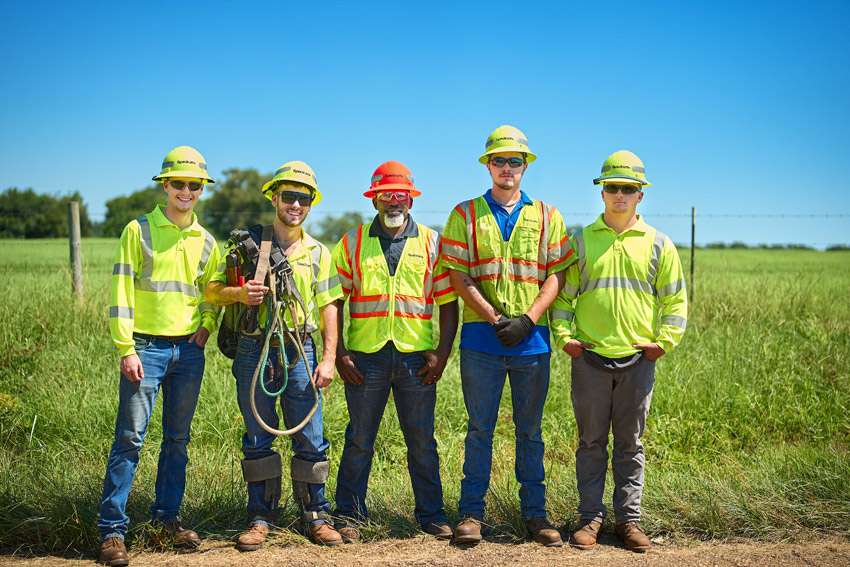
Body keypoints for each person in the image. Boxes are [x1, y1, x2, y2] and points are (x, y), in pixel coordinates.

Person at [440, 126, 574, 547]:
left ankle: (536, 515)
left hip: (532, 341)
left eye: (515, 161)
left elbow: (556, 274)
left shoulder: (550, 216)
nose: (507, 168)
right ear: (488, 165)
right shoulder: (464, 214)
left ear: (525, 166)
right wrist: (496, 317)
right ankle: (471, 514)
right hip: (483, 339)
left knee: (530, 431)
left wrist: (530, 320)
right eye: (499, 161)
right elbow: (458, 275)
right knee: (480, 429)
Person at [550, 150, 688, 553]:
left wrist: (663, 343)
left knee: (630, 444)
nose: (620, 195)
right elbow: (564, 298)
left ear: (640, 195)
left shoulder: (660, 244)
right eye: (613, 188)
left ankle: (629, 522)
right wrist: (564, 338)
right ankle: (590, 520)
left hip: (638, 362)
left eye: (629, 189)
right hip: (589, 359)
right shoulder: (581, 241)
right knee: (590, 443)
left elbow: (676, 303)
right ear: (602, 192)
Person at [205, 161, 344, 549]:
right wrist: (238, 294)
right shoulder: (247, 245)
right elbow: (211, 290)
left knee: (311, 437)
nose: (295, 205)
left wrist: (329, 358)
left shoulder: (319, 253)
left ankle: (316, 515)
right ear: (273, 198)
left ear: (311, 203)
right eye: (288, 197)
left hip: (301, 347)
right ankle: (261, 517)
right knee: (257, 437)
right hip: (255, 347)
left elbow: (329, 306)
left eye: (303, 198)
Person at [98, 146, 221, 566]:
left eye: (194, 185)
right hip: (145, 349)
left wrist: (207, 325)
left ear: (202, 189)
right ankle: (112, 532)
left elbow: (210, 294)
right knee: (130, 440)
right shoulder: (138, 230)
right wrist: (125, 347)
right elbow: (119, 292)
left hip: (188, 351)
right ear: (165, 185)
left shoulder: (207, 241)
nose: (186, 191)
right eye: (179, 183)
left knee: (177, 442)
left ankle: (165, 522)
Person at [332, 161, 459, 542]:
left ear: (411, 199)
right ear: (374, 199)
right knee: (359, 440)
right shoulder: (351, 242)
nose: (394, 202)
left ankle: (432, 515)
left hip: (415, 359)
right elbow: (334, 301)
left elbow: (448, 301)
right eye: (386, 194)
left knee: (422, 441)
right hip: (365, 358)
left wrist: (443, 351)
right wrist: (339, 353)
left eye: (401, 195)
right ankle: (349, 516)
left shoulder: (432, 242)